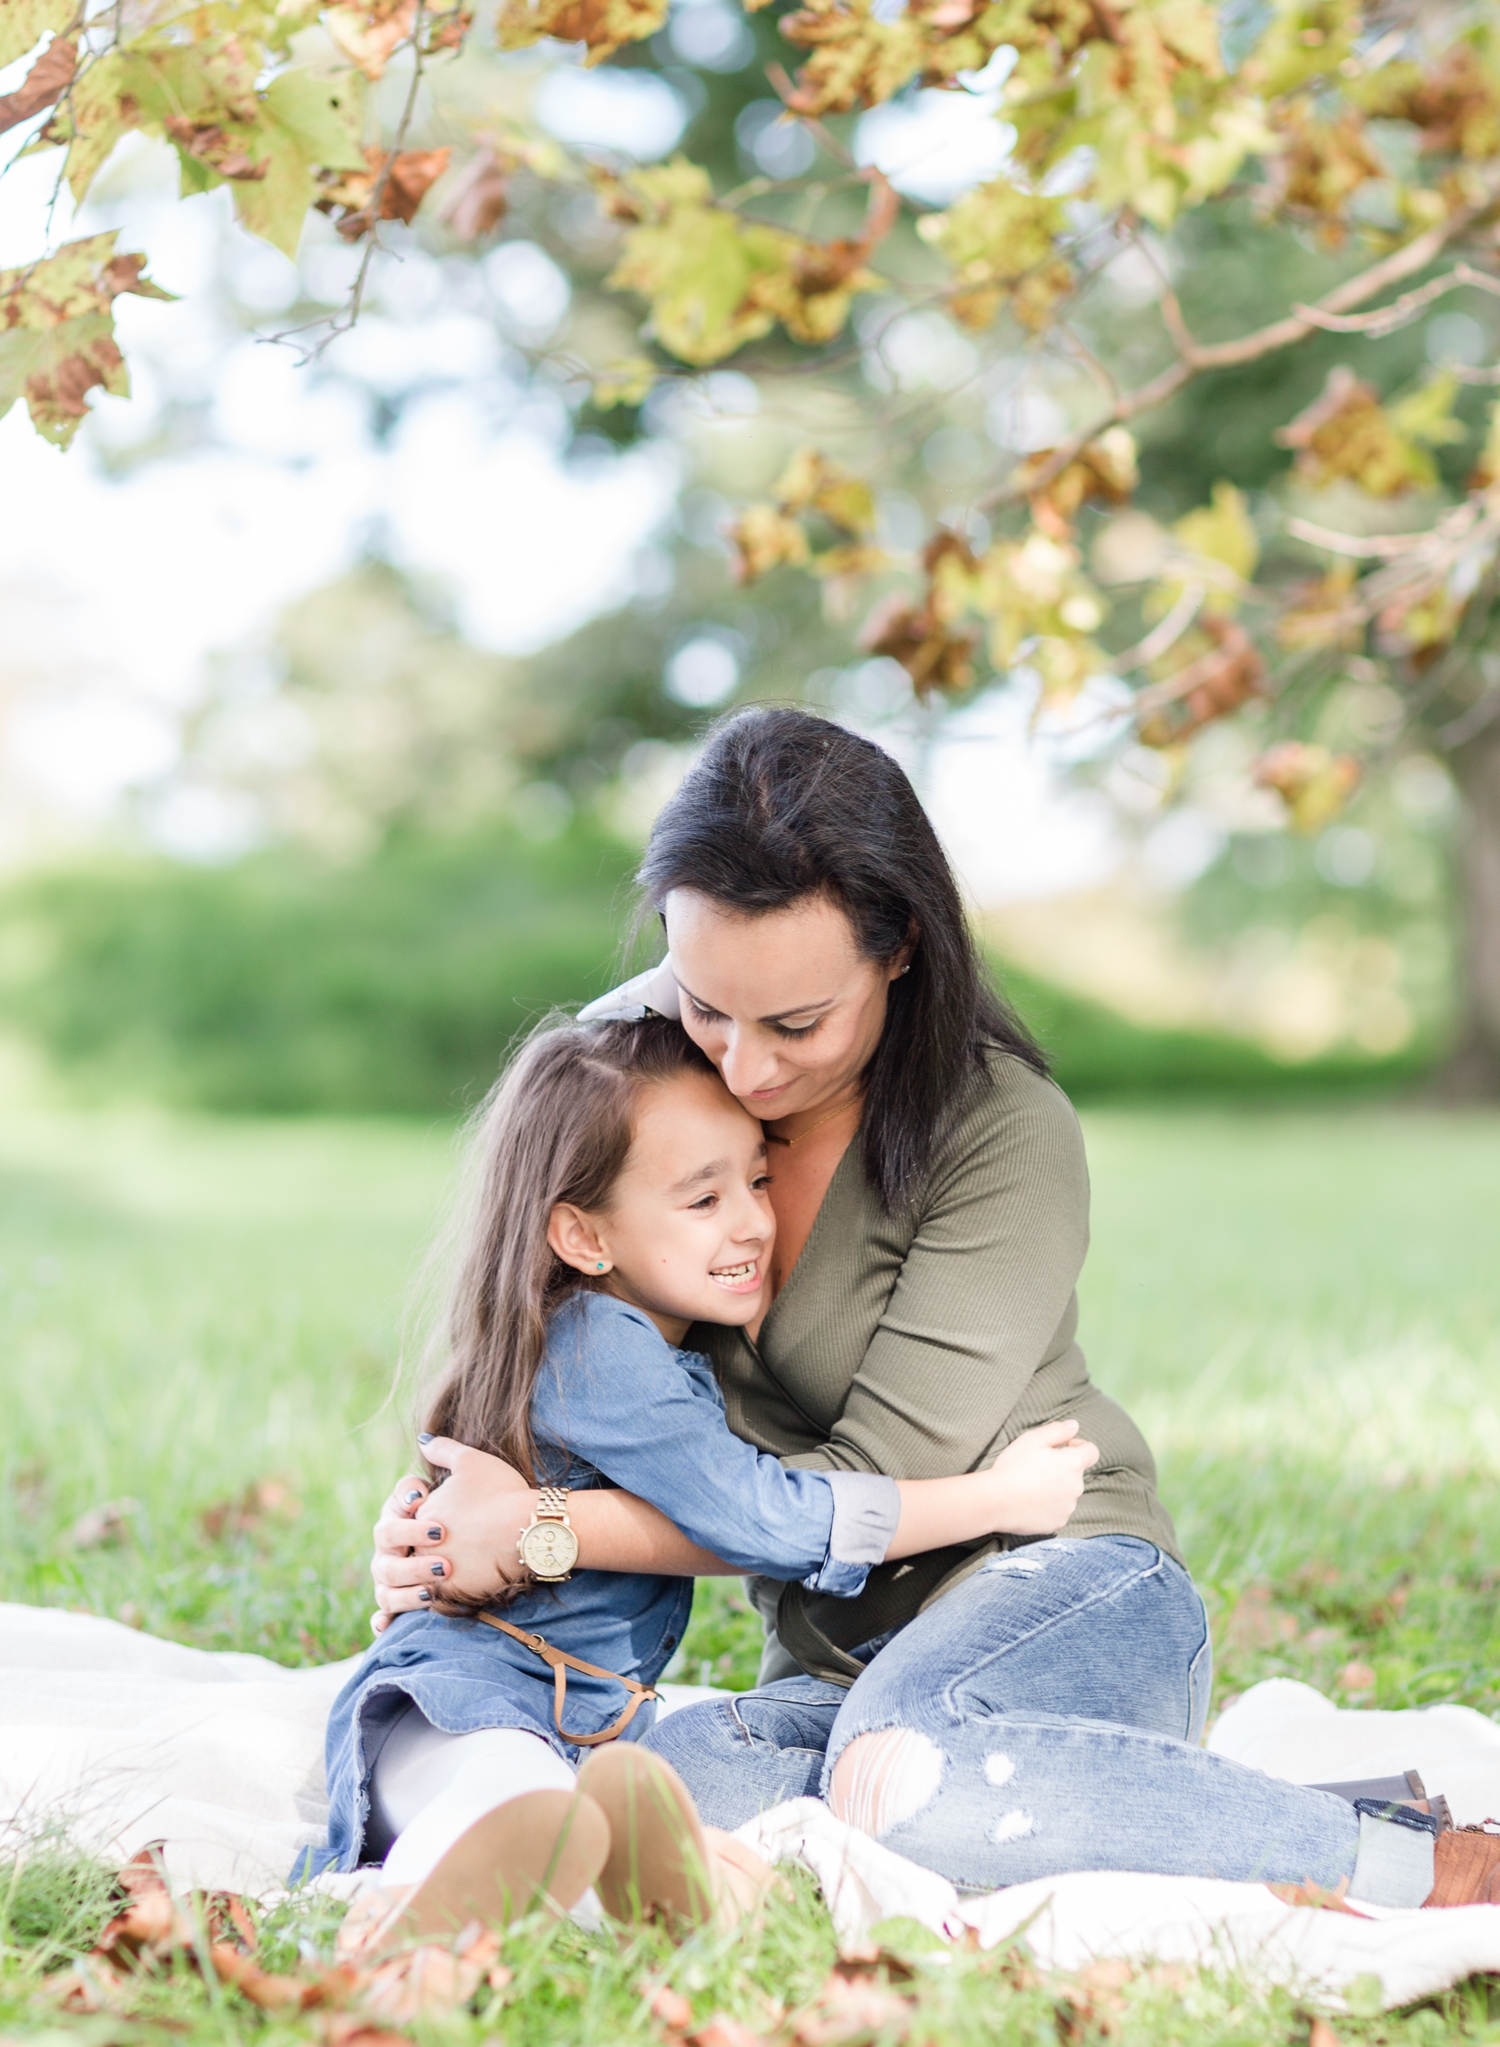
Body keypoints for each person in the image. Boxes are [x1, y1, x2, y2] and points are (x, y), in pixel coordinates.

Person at [368, 709, 1495, 1912]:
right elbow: (540, 1317)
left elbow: (839, 1492)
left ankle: (1417, 1862)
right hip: (838, 1667)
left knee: (907, 1778)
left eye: (797, 1024)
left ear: (899, 947)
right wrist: (441, 1522)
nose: (743, 1068)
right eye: (705, 1004)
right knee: (619, 1790)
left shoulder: (1003, 1134)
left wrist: (548, 1527)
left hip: (1057, 1574)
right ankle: (1192, 1806)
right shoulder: (643, 1076)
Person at [313, 1009, 1095, 1928]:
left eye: (758, 1181)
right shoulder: (602, 1345)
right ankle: (403, 1934)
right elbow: (760, 1517)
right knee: (509, 1794)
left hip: (560, 1723)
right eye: (703, 1199)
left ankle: (681, 1885)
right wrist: (994, 1498)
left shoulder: (624, 1334)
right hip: (461, 1704)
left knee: (573, 1815)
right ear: (583, 1237)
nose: (755, 1223)